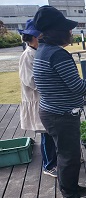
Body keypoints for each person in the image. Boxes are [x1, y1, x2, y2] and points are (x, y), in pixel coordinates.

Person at [32, 5, 86, 198]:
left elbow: (66, 82)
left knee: (66, 154)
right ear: (57, 31)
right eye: (68, 29)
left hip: (52, 111)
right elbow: (76, 87)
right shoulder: (57, 54)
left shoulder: (44, 50)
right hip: (60, 115)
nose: (71, 32)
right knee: (68, 157)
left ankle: (70, 189)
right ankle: (70, 195)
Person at [19, 19, 58, 178]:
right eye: (41, 34)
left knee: (54, 132)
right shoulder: (27, 56)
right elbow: (31, 81)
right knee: (46, 134)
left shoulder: (39, 51)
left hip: (48, 99)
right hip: (38, 100)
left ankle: (61, 159)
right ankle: (49, 165)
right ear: (34, 37)